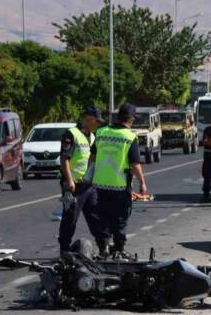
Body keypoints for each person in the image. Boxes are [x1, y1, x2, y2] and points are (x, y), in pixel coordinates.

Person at [90, 103, 147, 258]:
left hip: (100, 186)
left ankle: (104, 249)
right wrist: (142, 182)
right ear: (132, 119)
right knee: (120, 219)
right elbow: (135, 164)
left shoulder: (101, 132)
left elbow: (92, 158)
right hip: (120, 187)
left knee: (103, 219)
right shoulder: (130, 137)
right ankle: (119, 250)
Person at [58, 107, 106, 256]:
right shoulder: (71, 134)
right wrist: (69, 180)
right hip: (74, 186)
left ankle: (103, 247)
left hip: (89, 185)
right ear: (87, 118)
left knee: (96, 217)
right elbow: (64, 159)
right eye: (96, 121)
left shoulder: (92, 136)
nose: (97, 124)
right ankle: (64, 250)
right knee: (70, 218)